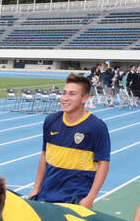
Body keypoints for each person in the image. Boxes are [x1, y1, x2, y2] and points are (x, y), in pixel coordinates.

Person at [28, 74, 111, 208]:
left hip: (75, 200)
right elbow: (44, 155)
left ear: (84, 98)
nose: (65, 98)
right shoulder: (51, 121)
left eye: (72, 94)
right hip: (46, 196)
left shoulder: (96, 126)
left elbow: (104, 164)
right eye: (64, 93)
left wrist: (90, 198)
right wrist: (36, 188)